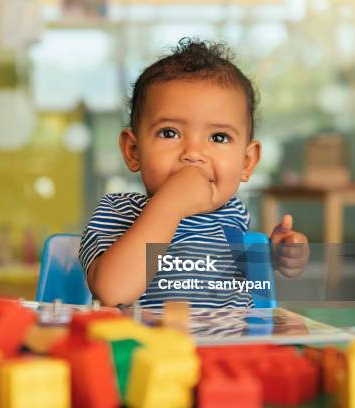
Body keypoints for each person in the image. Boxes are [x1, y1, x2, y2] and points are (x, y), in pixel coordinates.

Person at [79, 38, 309, 308]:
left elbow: (233, 279)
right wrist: (171, 204)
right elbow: (112, 292)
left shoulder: (233, 216)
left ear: (246, 163)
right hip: (148, 348)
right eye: (169, 133)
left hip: (228, 348)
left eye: (219, 137)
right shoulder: (117, 213)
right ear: (133, 150)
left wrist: (277, 256)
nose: (194, 153)